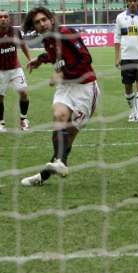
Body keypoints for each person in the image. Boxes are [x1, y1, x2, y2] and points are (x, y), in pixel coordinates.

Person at [20, 7, 100, 186]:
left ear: (51, 20)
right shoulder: (48, 40)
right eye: (37, 23)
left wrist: (64, 74)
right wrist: (39, 60)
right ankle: (60, 163)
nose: (41, 24)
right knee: (59, 116)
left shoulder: (66, 32)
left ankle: (44, 175)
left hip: (85, 88)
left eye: (44, 20)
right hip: (66, 87)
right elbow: (52, 55)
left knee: (68, 138)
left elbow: (86, 59)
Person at [0, 10, 32, 132]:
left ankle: (24, 120)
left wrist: (30, 59)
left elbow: (23, 45)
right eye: (1, 17)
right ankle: (1, 123)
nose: (3, 19)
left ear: (9, 19)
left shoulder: (15, 31)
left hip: (15, 68)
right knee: (0, 98)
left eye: (5, 17)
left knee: (23, 93)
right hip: (0, 71)